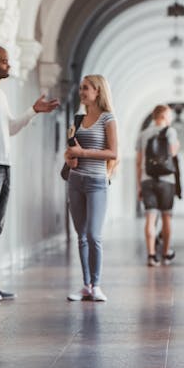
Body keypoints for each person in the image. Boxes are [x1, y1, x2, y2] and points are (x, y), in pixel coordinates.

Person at [0, 45, 59, 302]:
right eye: (4, 61)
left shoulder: (0, 96)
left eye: (8, 61)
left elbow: (11, 128)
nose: (9, 65)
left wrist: (33, 111)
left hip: (4, 166)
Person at [64, 75, 118, 302]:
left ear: (98, 91)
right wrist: (70, 157)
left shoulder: (108, 119)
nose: (81, 92)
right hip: (75, 180)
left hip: (97, 181)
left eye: (86, 88)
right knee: (81, 236)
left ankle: (96, 285)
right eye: (80, 88)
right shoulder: (77, 119)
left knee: (94, 235)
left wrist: (83, 153)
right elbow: (70, 151)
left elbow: (113, 153)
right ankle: (85, 285)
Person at [136, 105, 179, 267]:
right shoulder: (170, 132)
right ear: (164, 116)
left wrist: (139, 185)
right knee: (166, 217)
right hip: (166, 180)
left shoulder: (143, 134)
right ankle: (166, 253)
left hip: (147, 179)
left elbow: (139, 161)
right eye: (170, 115)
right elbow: (173, 153)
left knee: (150, 218)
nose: (171, 118)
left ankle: (151, 255)